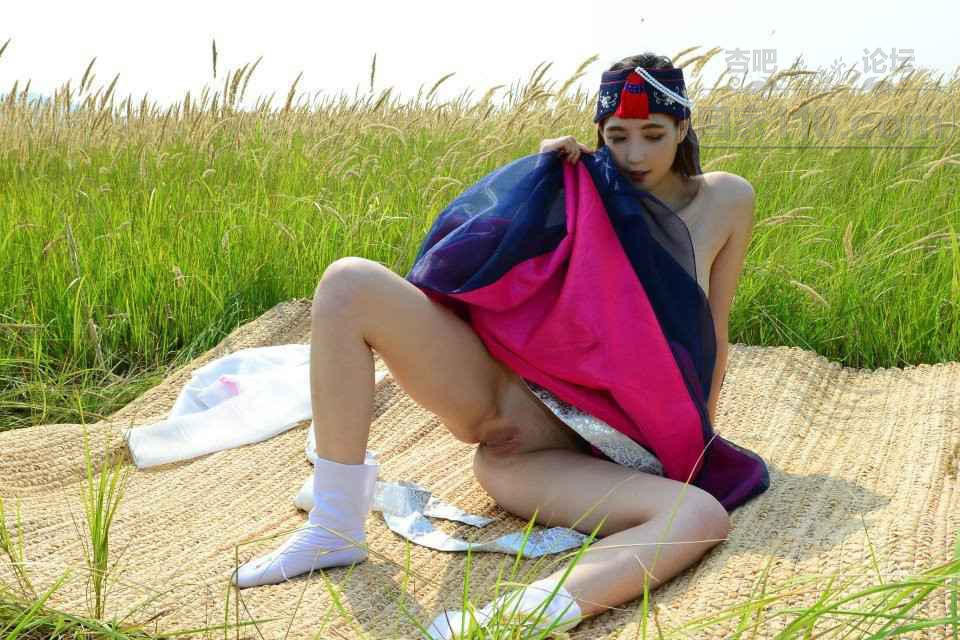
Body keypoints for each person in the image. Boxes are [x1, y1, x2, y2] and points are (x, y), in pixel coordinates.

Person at [231, 52, 762, 638]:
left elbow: (713, 329)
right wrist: (545, 183)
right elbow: (489, 262)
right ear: (600, 134)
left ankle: (511, 618)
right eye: (617, 136)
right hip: (511, 409)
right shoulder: (583, 186)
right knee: (348, 282)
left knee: (700, 515)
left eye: (653, 135)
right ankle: (334, 526)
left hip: (586, 456)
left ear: (683, 128)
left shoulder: (727, 199)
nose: (634, 155)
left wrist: (696, 437)